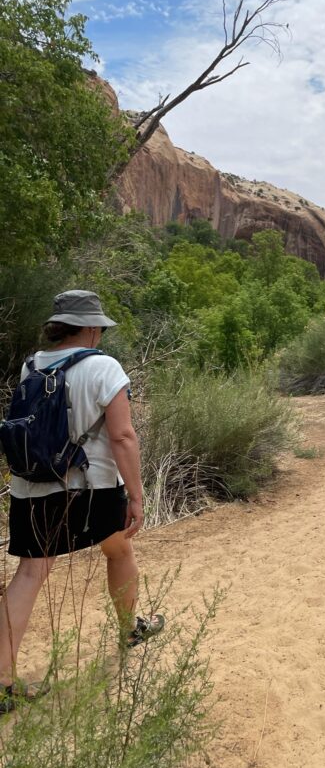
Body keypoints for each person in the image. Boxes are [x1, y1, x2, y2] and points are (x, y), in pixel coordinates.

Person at [0, 290, 164, 713]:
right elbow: (123, 436)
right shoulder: (103, 366)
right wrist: (137, 496)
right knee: (119, 547)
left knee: (31, 573)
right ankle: (130, 630)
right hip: (90, 486)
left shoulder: (31, 364)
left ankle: (1, 679)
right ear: (91, 328)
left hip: (31, 485)